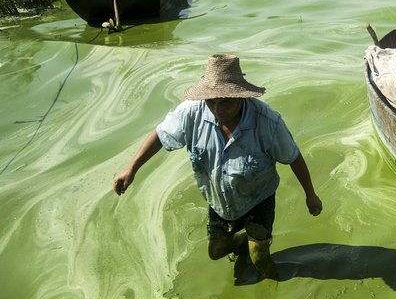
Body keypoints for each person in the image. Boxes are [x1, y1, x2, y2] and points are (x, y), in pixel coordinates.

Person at [113, 53, 323, 279]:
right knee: (216, 251)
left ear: (240, 96)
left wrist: (310, 195)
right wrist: (131, 169)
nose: (217, 108)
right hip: (219, 200)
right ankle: (245, 239)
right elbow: (160, 135)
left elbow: (293, 156)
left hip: (258, 197)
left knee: (260, 259)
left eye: (225, 101)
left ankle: (274, 286)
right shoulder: (191, 112)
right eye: (211, 101)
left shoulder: (267, 121)